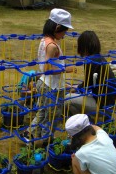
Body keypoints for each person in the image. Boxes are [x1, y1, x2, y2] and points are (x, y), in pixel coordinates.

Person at [21, 8, 75, 144]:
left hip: (45, 83)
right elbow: (47, 69)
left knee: (43, 111)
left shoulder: (45, 40)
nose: (64, 35)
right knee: (52, 114)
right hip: (51, 86)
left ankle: (30, 133)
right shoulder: (52, 46)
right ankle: (46, 140)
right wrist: (65, 69)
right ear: (57, 27)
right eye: (64, 31)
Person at [65, 31, 116, 117]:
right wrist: (77, 87)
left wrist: (75, 88)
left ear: (83, 46)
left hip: (102, 105)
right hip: (111, 102)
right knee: (75, 92)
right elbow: (90, 82)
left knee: (67, 98)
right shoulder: (100, 58)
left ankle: (83, 123)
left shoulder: (90, 61)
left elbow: (87, 85)